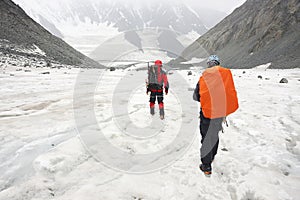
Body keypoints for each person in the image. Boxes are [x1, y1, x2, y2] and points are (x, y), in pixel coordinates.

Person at [193, 55, 238, 176]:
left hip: (206, 113)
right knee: (214, 135)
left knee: (206, 137)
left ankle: (206, 166)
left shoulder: (204, 78)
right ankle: (212, 156)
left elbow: (196, 96)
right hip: (220, 113)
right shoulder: (226, 76)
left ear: (209, 65)